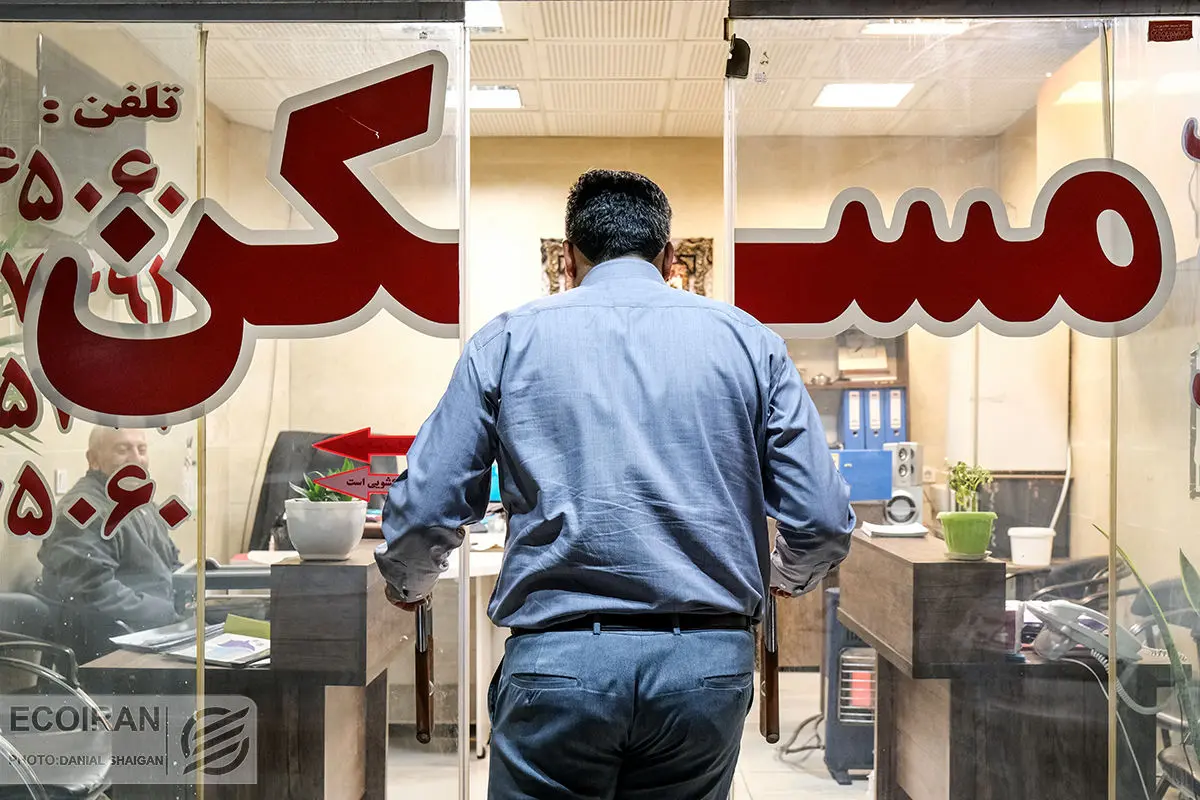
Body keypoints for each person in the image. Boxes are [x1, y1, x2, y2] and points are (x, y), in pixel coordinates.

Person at [375, 169, 855, 799]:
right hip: (705, 669)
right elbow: (821, 518)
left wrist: (410, 583)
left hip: (558, 665)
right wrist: (787, 576)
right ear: (670, 258)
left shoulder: (507, 340)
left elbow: (427, 503)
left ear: (567, 259)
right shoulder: (750, 343)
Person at [36, 427, 183, 644]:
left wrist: (196, 596)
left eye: (142, 450)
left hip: (162, 628)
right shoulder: (82, 512)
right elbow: (95, 592)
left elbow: (170, 562)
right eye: (123, 450)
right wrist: (170, 614)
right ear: (93, 460)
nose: (136, 459)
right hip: (121, 643)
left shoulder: (139, 500)